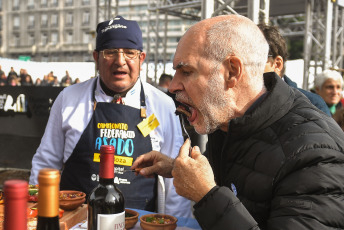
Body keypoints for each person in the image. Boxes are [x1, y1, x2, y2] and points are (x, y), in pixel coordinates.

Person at [131, 15, 344, 229]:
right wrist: (177, 168)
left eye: (186, 72)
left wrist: (207, 196)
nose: (174, 85)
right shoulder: (228, 122)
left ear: (232, 71)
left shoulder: (315, 154)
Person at [29, 15, 192, 218]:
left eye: (130, 53)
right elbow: (46, 162)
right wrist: (37, 215)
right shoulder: (69, 99)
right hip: (76, 221)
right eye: (110, 52)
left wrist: (176, 224)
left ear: (141, 58)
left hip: (141, 223)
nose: (120, 61)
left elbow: (175, 177)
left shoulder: (162, 105)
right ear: (96, 57)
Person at [258, 23, 331, 116]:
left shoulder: (312, 104)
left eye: (254, 58)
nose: (242, 66)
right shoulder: (238, 105)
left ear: (277, 64)